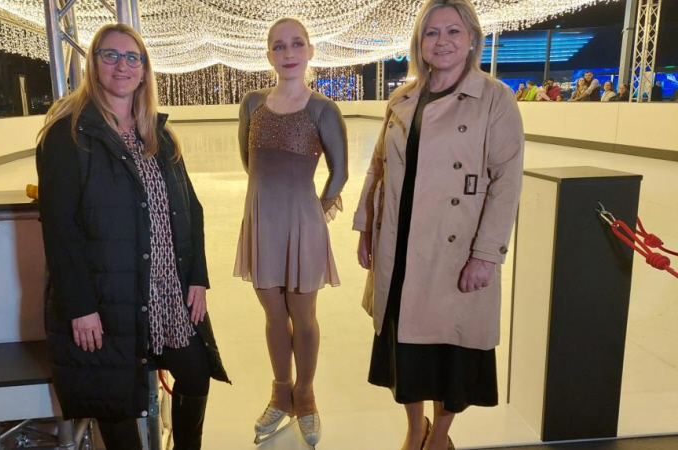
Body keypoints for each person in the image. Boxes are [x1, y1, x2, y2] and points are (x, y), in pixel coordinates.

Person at [36, 23, 229, 450]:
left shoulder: (158, 135)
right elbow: (60, 229)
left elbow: (191, 209)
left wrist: (197, 277)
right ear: (93, 64)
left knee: (195, 372)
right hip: (110, 296)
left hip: (167, 291)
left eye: (132, 58)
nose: (121, 66)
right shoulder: (68, 136)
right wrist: (81, 307)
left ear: (144, 71)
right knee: (116, 402)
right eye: (110, 55)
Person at [353, 0, 524, 449]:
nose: (442, 41)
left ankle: (439, 438)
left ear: (471, 39)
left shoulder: (495, 98)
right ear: (419, 42)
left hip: (454, 246)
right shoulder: (402, 98)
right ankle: (416, 431)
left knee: (450, 351)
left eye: (453, 31)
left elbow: (507, 182)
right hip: (400, 241)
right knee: (404, 348)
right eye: (431, 32)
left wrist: (485, 255)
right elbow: (378, 168)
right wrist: (366, 228)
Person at [234, 17, 348, 448]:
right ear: (269, 55)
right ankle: (281, 393)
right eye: (279, 46)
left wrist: (313, 211)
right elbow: (248, 160)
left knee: (303, 316)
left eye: (296, 44)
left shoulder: (323, 108)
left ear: (310, 51)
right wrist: (267, 201)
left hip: (302, 225)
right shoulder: (252, 104)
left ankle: (306, 396)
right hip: (262, 222)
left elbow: (340, 172)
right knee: (272, 314)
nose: (288, 53)